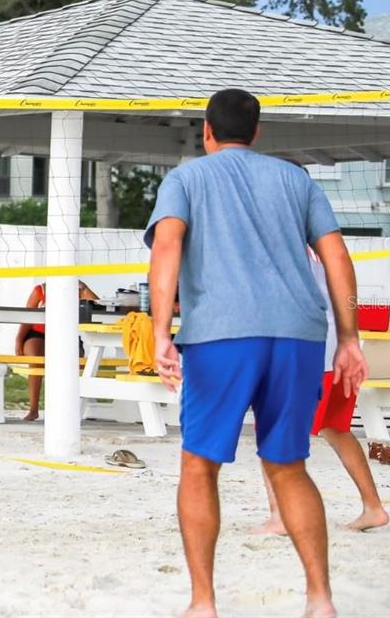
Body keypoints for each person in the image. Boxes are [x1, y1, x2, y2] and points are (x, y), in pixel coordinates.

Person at [146, 88, 367, 617]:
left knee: (199, 467)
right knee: (288, 466)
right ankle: (320, 599)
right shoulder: (294, 178)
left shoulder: (186, 178)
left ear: (206, 130)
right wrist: (350, 337)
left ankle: (203, 603)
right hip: (298, 334)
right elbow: (335, 252)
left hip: (223, 333)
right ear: (257, 131)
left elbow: (168, 244)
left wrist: (160, 331)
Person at [252, 248, 388, 535]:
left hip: (309, 350)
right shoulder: (328, 243)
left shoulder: (281, 242)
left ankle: (280, 516)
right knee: (336, 429)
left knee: (272, 429)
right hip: (341, 348)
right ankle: (373, 507)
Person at [14, 280, 97, 421]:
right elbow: (27, 317)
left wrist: (84, 288)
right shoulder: (41, 290)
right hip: (39, 334)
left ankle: (66, 408)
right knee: (35, 357)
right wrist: (19, 340)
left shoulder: (77, 290)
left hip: (66, 335)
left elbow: (96, 307)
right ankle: (33, 409)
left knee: (74, 361)